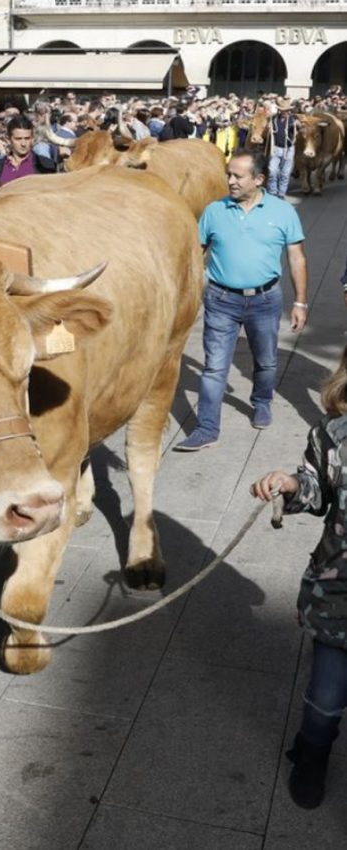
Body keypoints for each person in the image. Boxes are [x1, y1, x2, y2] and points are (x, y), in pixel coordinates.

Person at [250, 346, 347, 808]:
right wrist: (290, 485)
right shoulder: (332, 435)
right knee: (325, 698)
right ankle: (312, 752)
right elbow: (316, 489)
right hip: (338, 597)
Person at [175, 149, 308, 451]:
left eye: (238, 176)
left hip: (266, 300)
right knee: (214, 368)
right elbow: (196, 254)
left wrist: (300, 302)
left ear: (259, 179)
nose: (230, 181)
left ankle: (262, 401)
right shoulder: (214, 211)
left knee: (266, 361)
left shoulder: (283, 212)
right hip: (221, 299)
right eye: (229, 174)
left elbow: (297, 258)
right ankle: (207, 428)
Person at [0, 115, 56, 193]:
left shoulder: (47, 166)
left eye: (27, 138)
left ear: (32, 139)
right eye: (18, 139)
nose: (23, 143)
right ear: (8, 139)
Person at [267, 97, 298, 200]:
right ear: (280, 110)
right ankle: (272, 191)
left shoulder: (293, 119)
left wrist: (298, 126)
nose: (285, 112)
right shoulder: (274, 119)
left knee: (285, 173)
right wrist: (268, 128)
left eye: (287, 110)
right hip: (276, 148)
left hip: (288, 149)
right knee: (272, 171)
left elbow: (300, 126)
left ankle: (281, 193)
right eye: (283, 110)